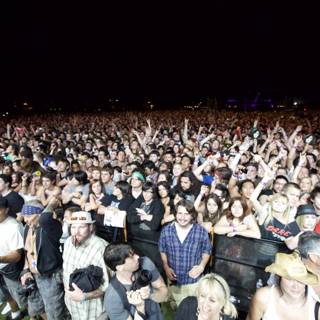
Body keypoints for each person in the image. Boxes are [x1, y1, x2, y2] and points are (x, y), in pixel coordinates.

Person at [20, 200, 68, 320]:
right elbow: (27, 251)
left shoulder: (51, 227)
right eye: (24, 215)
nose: (25, 219)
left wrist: (52, 203)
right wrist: (26, 270)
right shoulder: (28, 227)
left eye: (28, 216)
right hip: (33, 275)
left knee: (55, 313)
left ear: (39, 214)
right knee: (37, 307)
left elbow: (45, 218)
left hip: (49, 277)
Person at [159, 199, 212, 306]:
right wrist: (165, 267)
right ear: (175, 214)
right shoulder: (167, 230)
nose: (182, 217)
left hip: (193, 282)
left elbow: (207, 250)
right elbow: (162, 249)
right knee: (173, 311)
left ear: (192, 215)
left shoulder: (200, 231)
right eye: (180, 213)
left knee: (191, 313)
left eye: (186, 214)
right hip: (173, 281)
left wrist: (201, 266)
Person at [63, 211, 109, 320]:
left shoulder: (101, 248)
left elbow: (107, 285)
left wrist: (84, 297)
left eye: (81, 227)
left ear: (91, 227)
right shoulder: (68, 242)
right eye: (73, 227)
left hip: (93, 309)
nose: (76, 232)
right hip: (73, 306)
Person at [246, 252, 320, 320]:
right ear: (278, 277)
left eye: (301, 280)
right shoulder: (264, 297)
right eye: (289, 279)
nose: (296, 286)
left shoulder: (316, 308)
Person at [103, 243, 168, 320]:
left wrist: (150, 294)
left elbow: (164, 294)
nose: (137, 257)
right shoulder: (112, 298)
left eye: (134, 253)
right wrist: (140, 307)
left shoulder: (145, 264)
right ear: (120, 267)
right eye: (131, 257)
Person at [0, 197, 26, 320]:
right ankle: (16, 313)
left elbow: (16, 255)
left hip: (12, 268)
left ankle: (32, 314)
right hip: (2, 267)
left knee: (22, 297)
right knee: (6, 293)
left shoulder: (14, 226)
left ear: (6, 210)